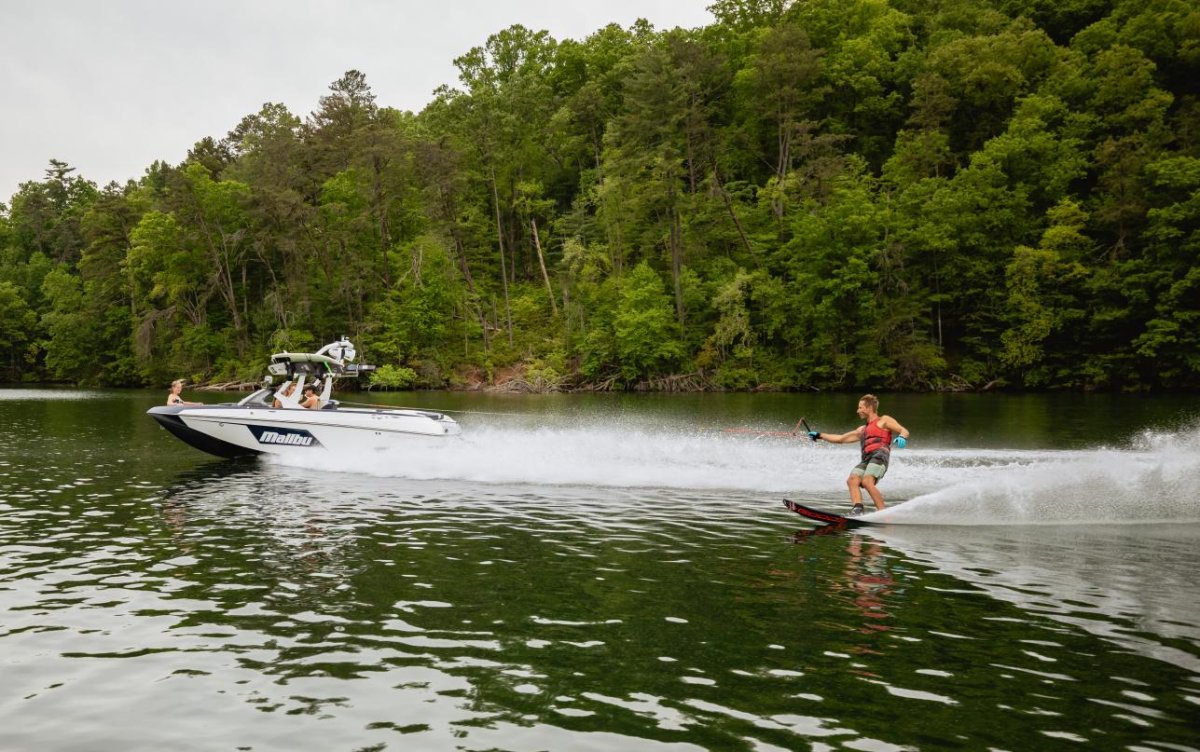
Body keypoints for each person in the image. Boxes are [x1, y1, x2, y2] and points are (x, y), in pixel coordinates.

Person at [808, 394, 909, 515]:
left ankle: (884, 514)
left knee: (867, 482)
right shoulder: (862, 430)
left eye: (860, 407)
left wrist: (902, 437)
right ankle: (858, 509)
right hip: (866, 459)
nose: (858, 411)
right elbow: (841, 439)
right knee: (852, 480)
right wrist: (820, 435)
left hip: (880, 455)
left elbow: (903, 430)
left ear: (869, 408)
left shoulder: (884, 420)